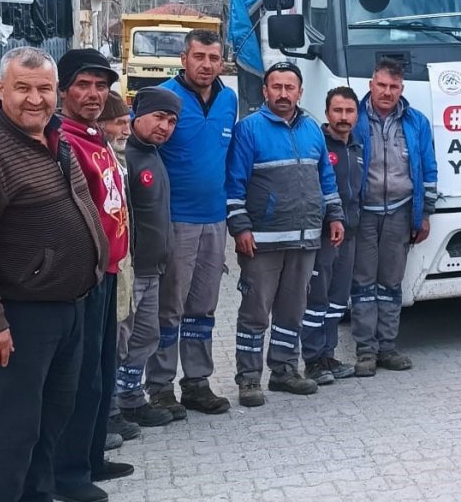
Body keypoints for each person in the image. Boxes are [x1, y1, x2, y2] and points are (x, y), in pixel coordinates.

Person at [0, 46, 107, 502]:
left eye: (44, 89)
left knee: (48, 427)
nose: (35, 99)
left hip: (66, 310)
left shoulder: (54, 137)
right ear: (0, 89)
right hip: (16, 320)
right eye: (23, 88)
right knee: (8, 432)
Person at [227, 63, 345, 407]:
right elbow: (234, 183)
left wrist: (335, 215)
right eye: (275, 87)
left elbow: (326, 179)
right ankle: (249, 379)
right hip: (262, 241)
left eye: (289, 87)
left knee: (292, 310)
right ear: (265, 91)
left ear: (300, 92)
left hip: (306, 238)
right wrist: (240, 227)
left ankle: (284, 370)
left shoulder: (311, 130)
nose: (282, 93)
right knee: (255, 312)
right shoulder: (248, 129)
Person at [52, 49, 134, 502]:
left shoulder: (95, 137)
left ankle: (92, 455)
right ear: (64, 89)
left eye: (101, 86)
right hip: (83, 276)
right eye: (83, 85)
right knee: (80, 376)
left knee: (102, 370)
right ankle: (68, 474)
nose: (94, 94)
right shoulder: (63, 141)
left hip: (109, 271)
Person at [146, 29, 238, 417]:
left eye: (213, 58)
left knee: (203, 306)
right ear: (184, 58)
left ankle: (197, 383)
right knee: (170, 308)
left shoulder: (229, 100)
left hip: (215, 220)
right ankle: (161, 386)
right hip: (175, 222)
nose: (206, 65)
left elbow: (229, 156)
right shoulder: (164, 99)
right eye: (198, 56)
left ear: (222, 61)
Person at [351, 57, 438, 376]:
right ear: (371, 84)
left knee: (390, 283)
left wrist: (425, 214)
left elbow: (429, 169)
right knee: (362, 284)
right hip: (363, 215)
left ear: (402, 89)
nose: (387, 92)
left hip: (401, 213)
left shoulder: (416, 122)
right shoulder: (354, 117)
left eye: (394, 87)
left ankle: (387, 347)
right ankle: (365, 351)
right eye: (382, 85)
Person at [111, 87, 181, 431]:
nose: (165, 126)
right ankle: (110, 409)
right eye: (158, 117)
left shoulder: (154, 154)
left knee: (145, 337)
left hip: (153, 267)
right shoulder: (127, 157)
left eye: (171, 121)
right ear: (136, 116)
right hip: (132, 268)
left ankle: (132, 399)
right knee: (121, 339)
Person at [303, 87, 365, 385]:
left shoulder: (357, 147)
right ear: (327, 113)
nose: (343, 117)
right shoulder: (317, 144)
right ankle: (312, 360)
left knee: (338, 300)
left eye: (349, 111)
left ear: (356, 115)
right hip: (324, 234)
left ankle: (328, 354)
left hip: (351, 233)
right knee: (317, 298)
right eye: (337, 111)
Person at [95, 91, 140, 447]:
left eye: (127, 122)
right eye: (119, 123)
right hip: (103, 266)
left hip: (124, 262)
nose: (125, 130)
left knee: (121, 336)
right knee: (106, 342)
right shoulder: (95, 157)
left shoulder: (119, 158)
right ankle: (102, 417)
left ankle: (110, 412)